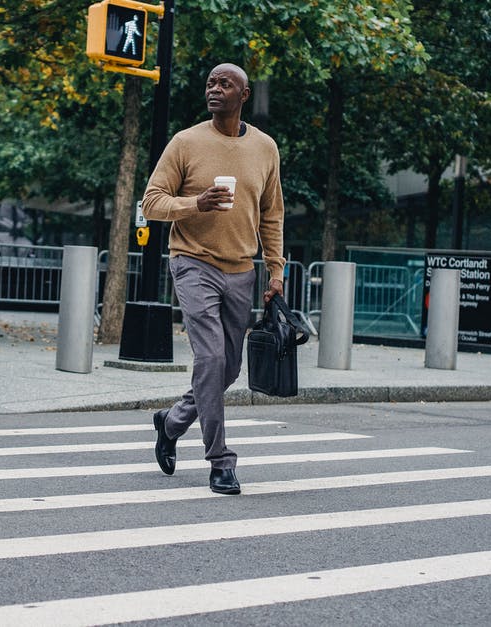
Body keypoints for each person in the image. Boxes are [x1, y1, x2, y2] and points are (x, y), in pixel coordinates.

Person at [141, 63, 285, 495]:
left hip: (241, 269)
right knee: (210, 360)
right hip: (193, 263)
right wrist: (195, 204)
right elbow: (151, 202)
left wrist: (275, 269)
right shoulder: (186, 142)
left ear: (244, 95)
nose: (215, 89)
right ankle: (220, 460)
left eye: (226, 84)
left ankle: (171, 423)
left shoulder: (265, 148)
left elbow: (271, 214)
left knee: (228, 368)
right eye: (211, 83)